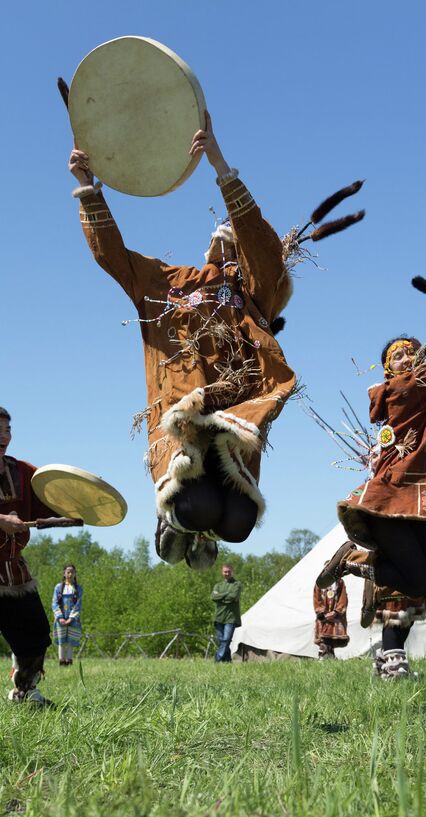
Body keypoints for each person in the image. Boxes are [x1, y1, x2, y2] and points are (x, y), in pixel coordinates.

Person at [68, 112, 296, 570]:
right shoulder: (171, 283)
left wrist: (220, 165)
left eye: (237, 245)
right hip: (184, 417)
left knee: (238, 524)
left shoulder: (256, 297)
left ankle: (204, 531)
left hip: (231, 421)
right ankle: (178, 523)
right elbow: (115, 258)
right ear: (209, 246)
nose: (228, 248)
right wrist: (90, 188)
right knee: (195, 509)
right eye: (223, 240)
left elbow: (267, 256)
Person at [316, 304, 426, 670]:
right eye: (398, 355)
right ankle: (390, 657)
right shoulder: (399, 389)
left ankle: (358, 563)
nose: (407, 357)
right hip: (388, 504)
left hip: (414, 510)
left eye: (412, 351)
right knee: (414, 580)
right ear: (388, 369)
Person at [0, 407, 54, 704]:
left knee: (35, 634)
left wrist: (82, 506)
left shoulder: (21, 471)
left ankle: (24, 691)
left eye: (7, 430)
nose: (4, 436)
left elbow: (53, 500)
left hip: (13, 574)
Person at [313, 568, 349, 659]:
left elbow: (343, 598)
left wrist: (336, 612)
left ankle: (329, 656)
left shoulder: (339, 582)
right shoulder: (319, 583)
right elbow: (316, 599)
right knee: (323, 638)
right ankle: (323, 656)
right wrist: (322, 613)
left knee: (331, 639)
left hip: (336, 616)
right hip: (323, 617)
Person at [52, 564, 83, 665]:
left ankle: (69, 660)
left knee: (71, 640)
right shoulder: (58, 587)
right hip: (60, 617)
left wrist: (71, 618)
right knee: (61, 640)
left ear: (75, 574)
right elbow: (54, 603)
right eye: (68, 572)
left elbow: (78, 604)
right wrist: (60, 617)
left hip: (73, 618)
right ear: (64, 574)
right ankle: (61, 660)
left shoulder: (78, 588)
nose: (70, 574)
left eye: (72, 572)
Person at [211, 564, 242, 662]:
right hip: (219, 616)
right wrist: (226, 594)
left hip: (231, 617)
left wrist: (220, 597)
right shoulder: (218, 585)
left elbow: (234, 596)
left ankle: (218, 659)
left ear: (232, 572)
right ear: (222, 572)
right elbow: (213, 597)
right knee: (222, 641)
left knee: (226, 640)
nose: (227, 573)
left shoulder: (237, 584)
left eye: (229, 571)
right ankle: (227, 661)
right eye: (225, 571)